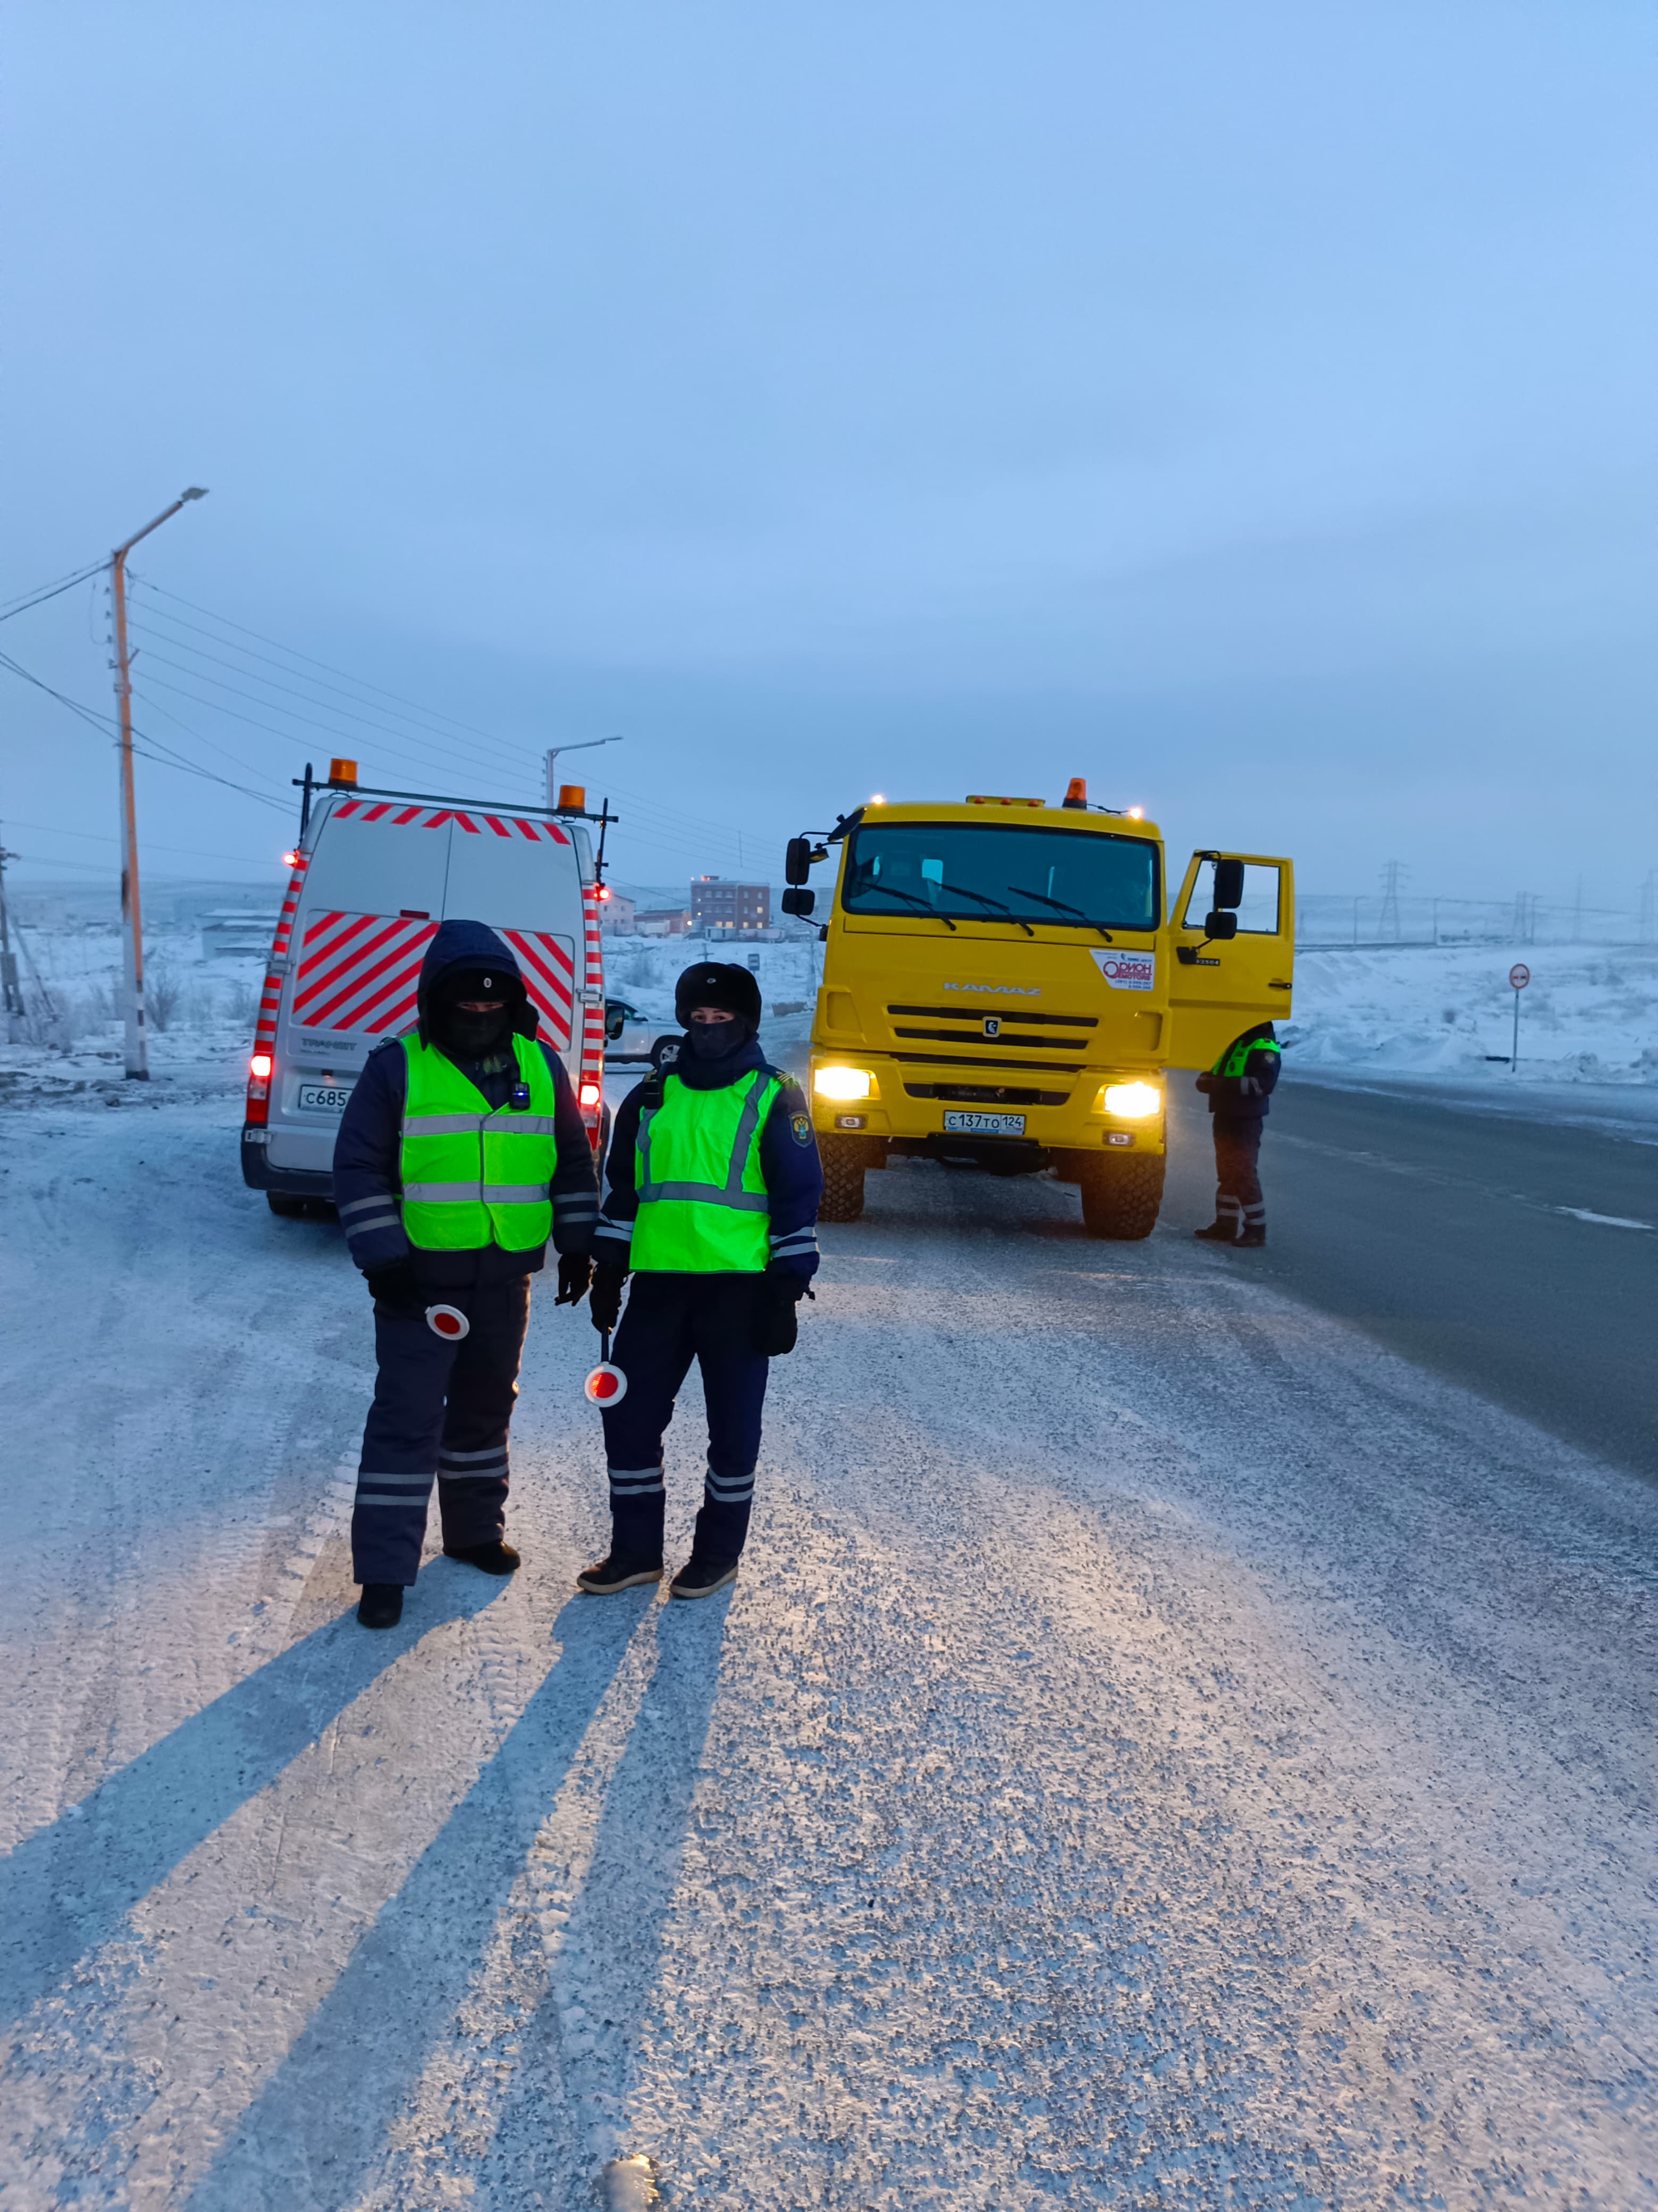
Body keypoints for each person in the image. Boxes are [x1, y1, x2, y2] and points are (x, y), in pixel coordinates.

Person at [333, 920, 599, 1629]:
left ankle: (475, 1532)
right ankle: (385, 1572)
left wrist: (577, 1245)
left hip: (504, 1277)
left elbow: (571, 1160)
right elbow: (358, 1169)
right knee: (407, 1419)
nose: (479, 1016)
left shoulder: (541, 1065)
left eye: (493, 1005)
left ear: (513, 1004)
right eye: (464, 1005)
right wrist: (384, 1259)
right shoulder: (397, 1067)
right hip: (419, 1281)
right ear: (433, 1003)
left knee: (486, 1407)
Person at [580, 961, 823, 1600]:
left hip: (739, 1295)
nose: (708, 1028)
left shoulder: (774, 1094)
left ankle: (716, 1555)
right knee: (628, 1420)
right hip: (658, 1290)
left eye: (722, 1019)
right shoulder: (652, 1094)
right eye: (698, 1018)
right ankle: (634, 1553)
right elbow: (627, 1192)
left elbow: (798, 1197)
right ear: (685, 1019)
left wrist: (787, 1286)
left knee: (733, 1432)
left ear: (746, 1023)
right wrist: (608, 1267)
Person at [1193, 1021, 1282, 1247]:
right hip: (1225, 1115)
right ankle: (1225, 1224)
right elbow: (1211, 1075)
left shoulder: (1265, 1046)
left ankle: (1256, 1229)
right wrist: (1209, 1082)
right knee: (1227, 1172)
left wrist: (1222, 1085)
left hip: (1246, 1119)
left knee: (1243, 1172)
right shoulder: (1233, 1042)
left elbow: (1264, 1085)